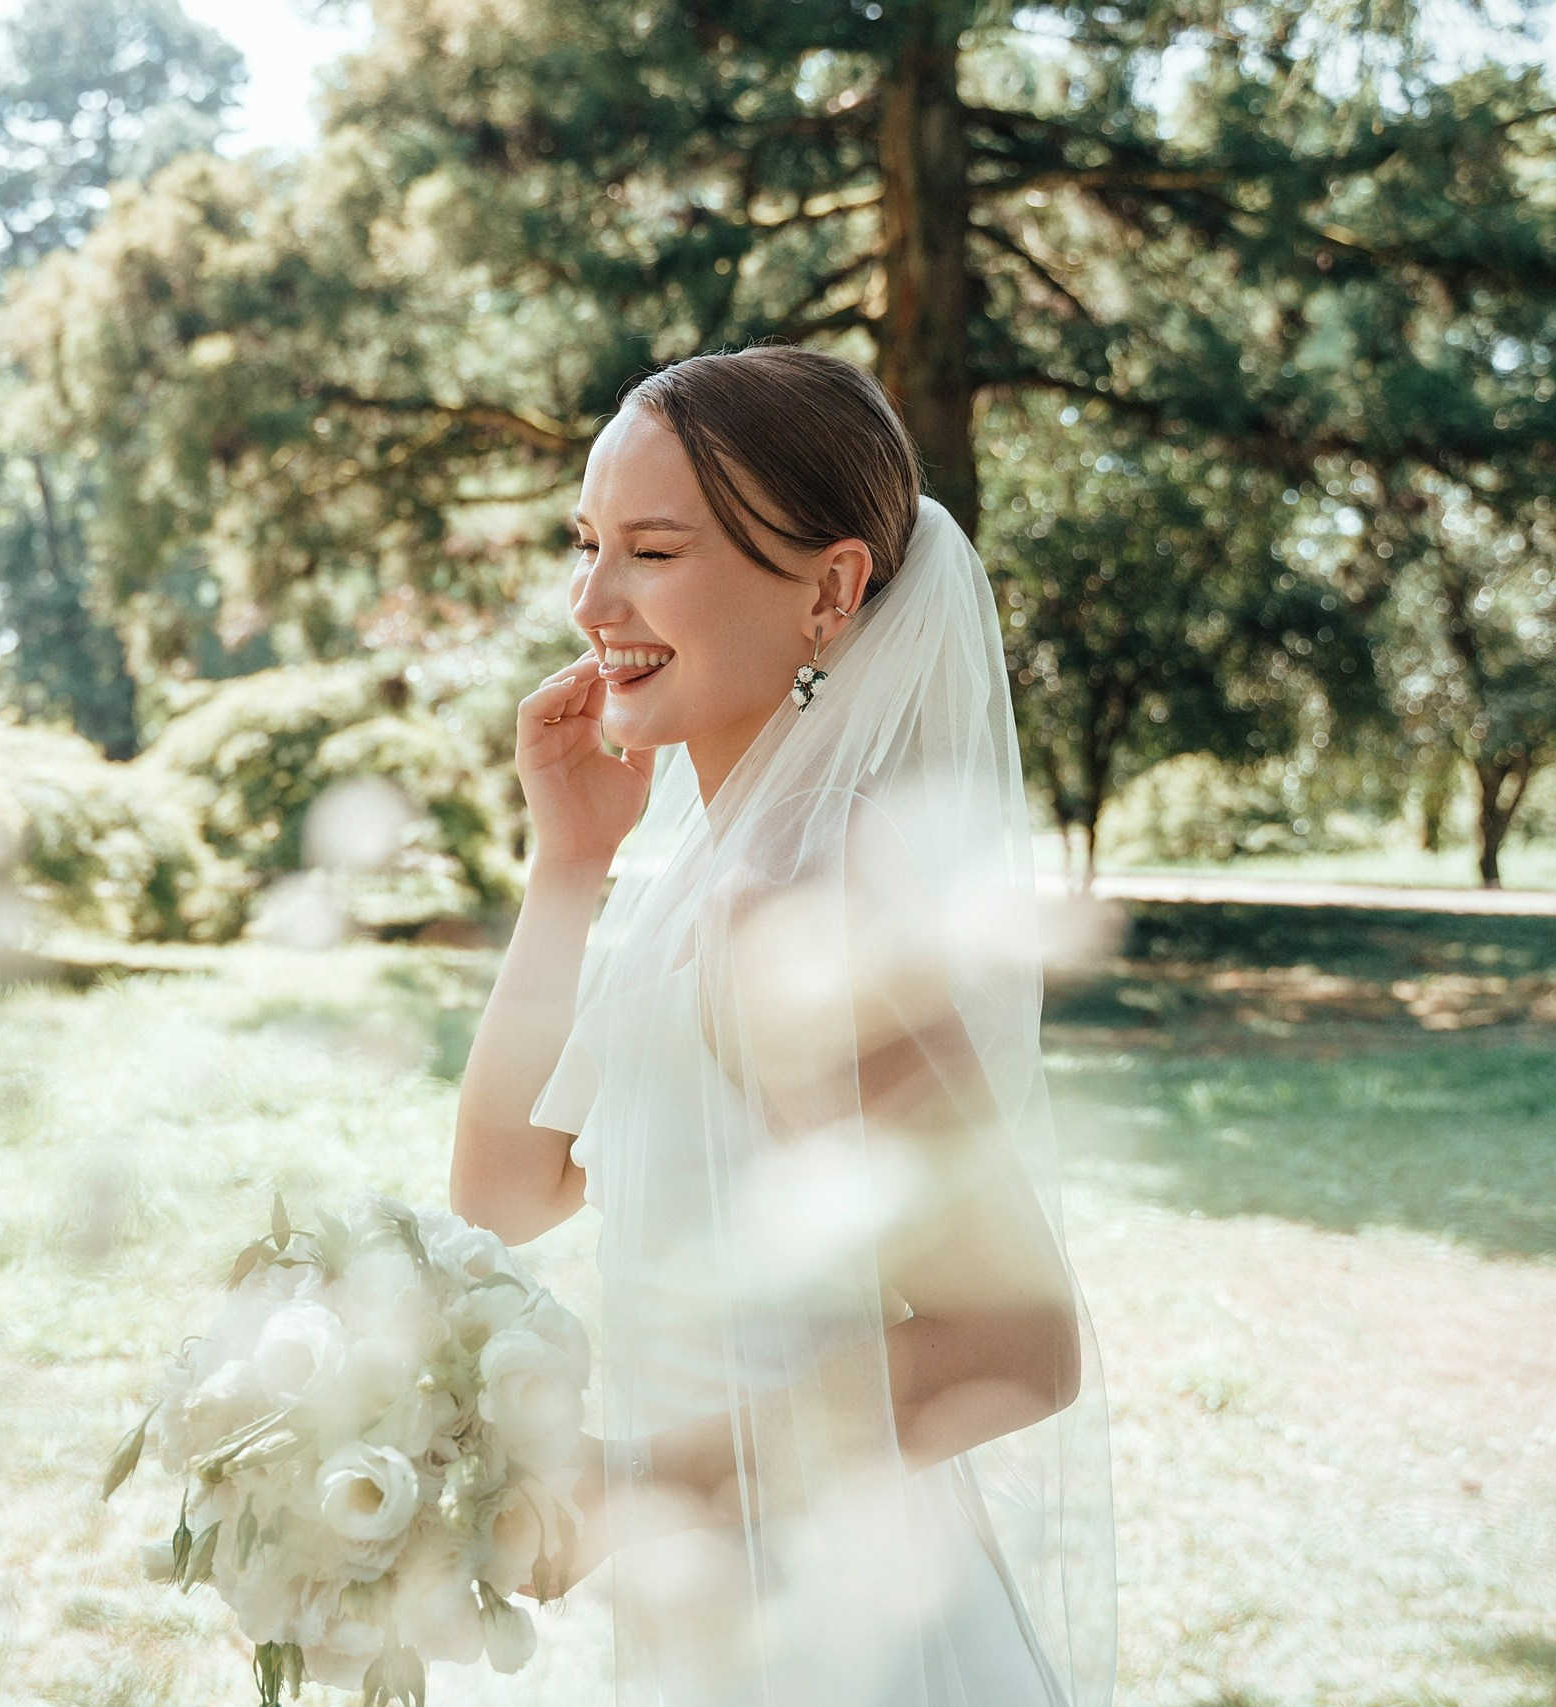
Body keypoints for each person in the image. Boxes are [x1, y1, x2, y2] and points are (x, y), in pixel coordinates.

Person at [451, 346, 1116, 1707]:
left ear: (829, 591)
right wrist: (569, 864)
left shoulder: (798, 900)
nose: (592, 601)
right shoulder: (722, 866)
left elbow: (1017, 1344)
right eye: (586, 544)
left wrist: (638, 1484)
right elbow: (508, 1191)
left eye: (652, 551)